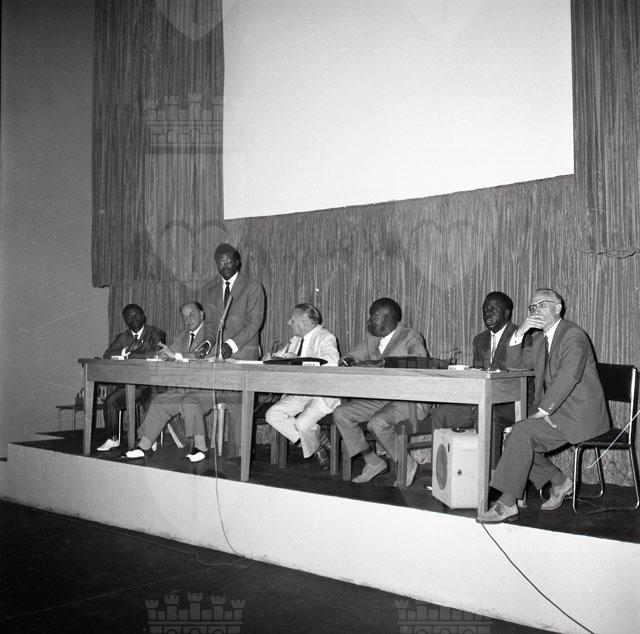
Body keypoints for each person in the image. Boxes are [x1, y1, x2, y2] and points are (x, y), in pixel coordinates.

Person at [481, 288, 608, 523]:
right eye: (532, 307)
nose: (535, 310)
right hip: (557, 411)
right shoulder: (540, 340)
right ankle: (559, 482)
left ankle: (507, 503)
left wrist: (544, 410)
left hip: (579, 415)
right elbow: (515, 365)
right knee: (514, 438)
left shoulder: (573, 335)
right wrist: (520, 332)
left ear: (558, 308)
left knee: (520, 433)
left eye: (541, 304)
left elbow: (568, 376)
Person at [332, 297, 429, 486]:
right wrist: (348, 361)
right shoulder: (372, 339)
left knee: (377, 423)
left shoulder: (410, 337)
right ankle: (373, 462)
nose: (368, 321)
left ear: (389, 318)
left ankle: (406, 464)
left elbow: (419, 360)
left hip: (409, 400)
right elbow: (351, 355)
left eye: (373, 317)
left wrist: (383, 363)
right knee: (341, 414)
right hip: (382, 399)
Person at [122, 302, 217, 463]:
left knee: (190, 402)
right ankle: (144, 446)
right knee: (160, 401)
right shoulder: (182, 335)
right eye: (184, 317)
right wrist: (163, 354)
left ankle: (201, 448)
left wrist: (177, 356)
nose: (187, 320)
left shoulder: (210, 330)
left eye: (191, 315)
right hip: (185, 387)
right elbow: (169, 351)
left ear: (202, 314)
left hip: (209, 387)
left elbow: (204, 356)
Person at [202, 244, 265, 458]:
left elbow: (254, 323)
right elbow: (211, 325)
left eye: (229, 260)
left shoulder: (252, 286)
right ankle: (202, 448)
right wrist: (207, 343)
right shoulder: (211, 291)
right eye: (221, 261)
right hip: (219, 357)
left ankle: (240, 456)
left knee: (238, 406)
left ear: (238, 262)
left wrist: (231, 345)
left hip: (243, 353)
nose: (225, 265)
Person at [426, 292, 518, 436]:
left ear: (506, 313)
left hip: (508, 401)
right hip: (478, 398)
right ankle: (442, 452)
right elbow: (478, 371)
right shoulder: (479, 340)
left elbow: (520, 373)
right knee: (440, 414)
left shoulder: (520, 336)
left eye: (493, 310)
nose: (487, 315)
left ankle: (484, 452)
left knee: (485, 414)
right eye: (485, 310)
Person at [265, 303, 340, 470]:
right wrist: (271, 357)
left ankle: (315, 445)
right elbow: (282, 356)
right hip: (300, 393)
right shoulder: (296, 340)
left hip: (321, 394)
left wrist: (299, 360)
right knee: (273, 415)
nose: (288, 323)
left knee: (303, 424)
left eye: (292, 320)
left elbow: (333, 361)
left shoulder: (326, 337)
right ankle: (317, 442)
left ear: (305, 322)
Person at [97, 304, 166, 451]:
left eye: (136, 315)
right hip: (130, 384)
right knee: (110, 401)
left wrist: (130, 354)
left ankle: (149, 437)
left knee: (151, 401)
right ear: (125, 320)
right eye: (129, 316)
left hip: (151, 384)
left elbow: (156, 352)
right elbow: (108, 355)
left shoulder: (155, 333)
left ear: (143, 316)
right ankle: (112, 438)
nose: (133, 318)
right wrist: (127, 350)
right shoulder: (123, 337)